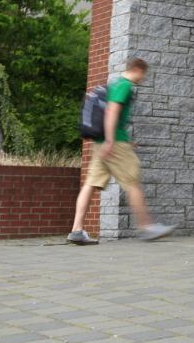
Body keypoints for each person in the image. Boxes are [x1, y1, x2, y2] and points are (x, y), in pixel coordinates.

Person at [67, 58, 175, 244]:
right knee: (132, 181)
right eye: (143, 75)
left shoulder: (114, 83)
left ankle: (76, 230)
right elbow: (112, 111)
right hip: (114, 143)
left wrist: (114, 140)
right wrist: (111, 139)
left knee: (91, 184)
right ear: (138, 70)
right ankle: (146, 227)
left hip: (102, 143)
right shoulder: (124, 85)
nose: (143, 78)